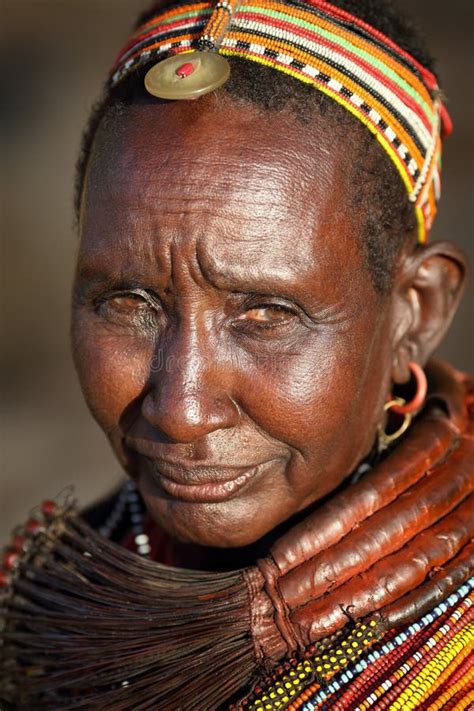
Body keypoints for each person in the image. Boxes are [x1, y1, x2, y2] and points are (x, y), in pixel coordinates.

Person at [1, 0, 472, 708]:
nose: (182, 409)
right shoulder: (40, 611)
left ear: (418, 309)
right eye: (129, 304)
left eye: (266, 315)